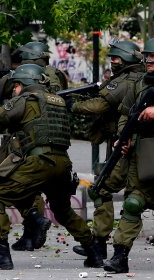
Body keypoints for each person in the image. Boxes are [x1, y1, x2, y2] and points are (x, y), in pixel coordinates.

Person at [0, 64, 103, 270]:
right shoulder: (57, 100)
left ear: (24, 84)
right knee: (62, 210)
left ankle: (2, 254)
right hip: (62, 163)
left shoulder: (25, 99)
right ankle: (93, 251)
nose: (13, 90)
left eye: (15, 86)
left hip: (38, 163)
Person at [0, 41, 69, 252]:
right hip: (54, 141)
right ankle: (34, 231)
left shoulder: (21, 77)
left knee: (16, 186)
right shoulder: (58, 75)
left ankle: (23, 233)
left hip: (23, 140)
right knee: (38, 189)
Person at [71, 40, 144, 259]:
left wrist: (71, 105)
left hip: (126, 147)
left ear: (129, 58)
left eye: (116, 57)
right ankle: (102, 246)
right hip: (123, 143)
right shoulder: (135, 79)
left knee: (102, 189)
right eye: (111, 57)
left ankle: (100, 245)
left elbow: (99, 105)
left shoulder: (127, 80)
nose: (112, 61)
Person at [103, 38, 154, 273]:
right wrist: (123, 139)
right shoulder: (140, 84)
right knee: (133, 203)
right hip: (142, 153)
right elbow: (126, 113)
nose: (150, 60)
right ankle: (119, 257)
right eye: (148, 56)